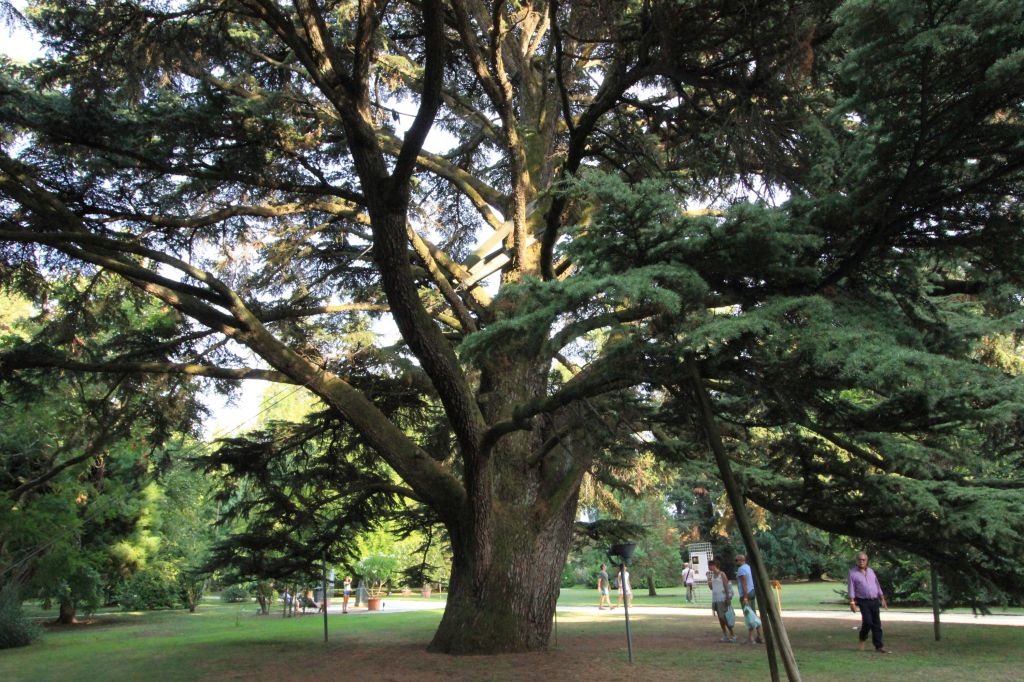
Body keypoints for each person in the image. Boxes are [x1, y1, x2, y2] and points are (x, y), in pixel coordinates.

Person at [848, 552, 890, 654]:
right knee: (867, 622)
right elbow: (851, 588)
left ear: (867, 561)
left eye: (864, 560)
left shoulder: (871, 571)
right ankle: (862, 638)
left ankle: (879, 646)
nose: (861, 562)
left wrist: (882, 598)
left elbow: (877, 584)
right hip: (863, 601)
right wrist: (852, 602)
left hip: (874, 600)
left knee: (877, 623)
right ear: (857, 561)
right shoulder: (852, 573)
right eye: (860, 560)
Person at [735, 554, 764, 644]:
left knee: (748, 615)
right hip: (752, 591)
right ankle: (760, 636)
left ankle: (751, 638)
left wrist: (745, 597)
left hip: (746, 593)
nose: (735, 562)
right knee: (753, 614)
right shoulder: (748, 567)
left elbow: (744, 584)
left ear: (741, 560)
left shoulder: (741, 570)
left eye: (736, 560)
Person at [706, 559, 736, 642]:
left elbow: (726, 586)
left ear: (715, 565)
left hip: (722, 598)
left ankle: (732, 634)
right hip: (715, 599)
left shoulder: (721, 574)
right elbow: (711, 588)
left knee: (724, 617)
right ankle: (725, 635)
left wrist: (727, 597)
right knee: (720, 618)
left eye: (710, 565)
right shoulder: (712, 576)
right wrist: (708, 580)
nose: (709, 567)